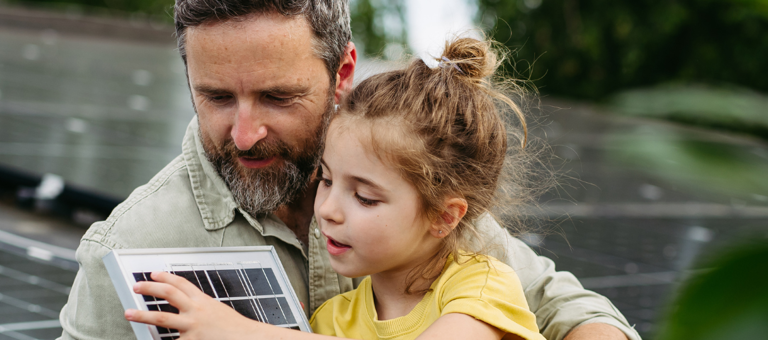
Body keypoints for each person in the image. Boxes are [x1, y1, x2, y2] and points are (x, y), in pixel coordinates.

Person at [57, 1, 640, 340]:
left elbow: (568, 309)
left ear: (342, 75)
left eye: (278, 97)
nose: (244, 133)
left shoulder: (427, 207)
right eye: (215, 97)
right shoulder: (132, 244)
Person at [126, 36, 548, 340]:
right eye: (326, 179)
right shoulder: (332, 321)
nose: (327, 208)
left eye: (364, 196)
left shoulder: (482, 286)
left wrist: (241, 332)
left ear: (444, 216)